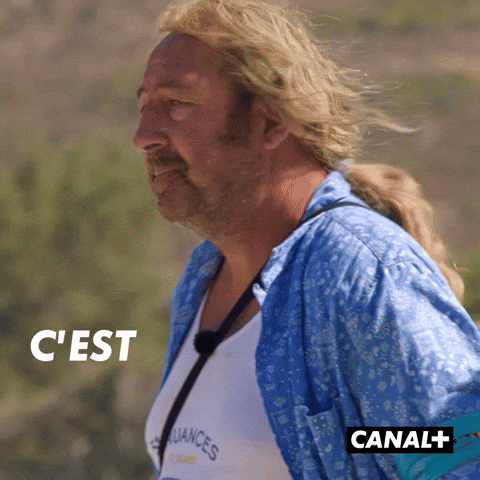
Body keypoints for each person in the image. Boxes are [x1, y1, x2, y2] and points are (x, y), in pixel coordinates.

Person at [133, 0, 480, 478]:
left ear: (271, 120)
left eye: (177, 104)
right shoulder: (204, 274)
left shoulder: (361, 272)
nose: (143, 136)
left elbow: (456, 446)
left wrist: (356, 442)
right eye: (144, 106)